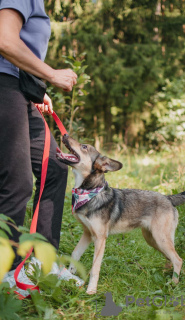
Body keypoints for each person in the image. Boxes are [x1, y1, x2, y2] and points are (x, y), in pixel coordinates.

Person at [0, 0, 81, 295]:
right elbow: (5, 40)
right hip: (3, 87)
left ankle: (44, 263)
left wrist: (34, 86)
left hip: (19, 87)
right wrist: (50, 74)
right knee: (16, 181)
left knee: (55, 167)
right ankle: (7, 275)